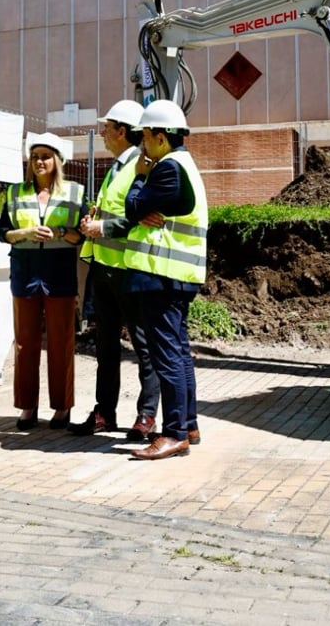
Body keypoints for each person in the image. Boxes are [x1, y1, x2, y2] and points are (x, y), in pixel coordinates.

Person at [71, 100, 160, 441]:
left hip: (130, 271)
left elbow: (142, 217)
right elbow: (118, 212)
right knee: (105, 346)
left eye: (107, 127)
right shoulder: (117, 166)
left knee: (143, 346)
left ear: (122, 131)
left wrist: (101, 228)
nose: (103, 133)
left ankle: (146, 415)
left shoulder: (142, 165)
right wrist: (93, 221)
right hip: (106, 270)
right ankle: (104, 411)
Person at [124, 99, 208, 461]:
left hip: (163, 275)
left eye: (145, 136)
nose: (142, 144)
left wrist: (140, 177)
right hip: (176, 275)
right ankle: (187, 424)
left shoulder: (167, 169)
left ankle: (174, 433)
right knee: (178, 352)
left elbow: (132, 207)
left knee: (167, 355)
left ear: (160, 136)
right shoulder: (183, 166)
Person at [0, 132, 87, 430]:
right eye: (35, 156)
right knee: (25, 344)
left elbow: (82, 235)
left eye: (45, 156)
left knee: (61, 343)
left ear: (57, 161)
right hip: (25, 273)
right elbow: (2, 232)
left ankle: (62, 407)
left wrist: (60, 233)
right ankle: (27, 407)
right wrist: (25, 233)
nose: (39, 162)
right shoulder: (15, 193)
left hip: (59, 274)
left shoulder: (74, 193)